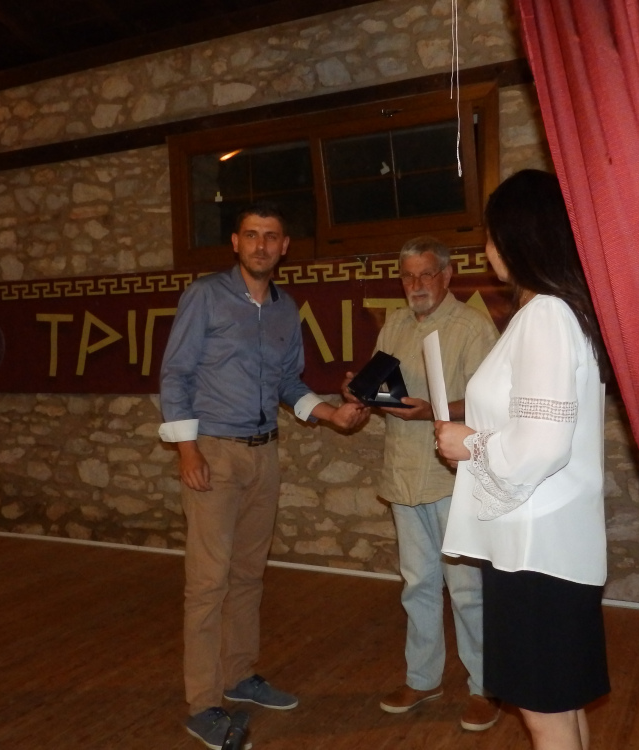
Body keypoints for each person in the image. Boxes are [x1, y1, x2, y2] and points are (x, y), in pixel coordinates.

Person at [159, 202, 369, 750]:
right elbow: (176, 374)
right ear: (235, 242)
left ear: (284, 246)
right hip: (213, 452)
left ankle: (239, 674)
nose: (260, 245)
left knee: (249, 574)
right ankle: (203, 704)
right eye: (251, 235)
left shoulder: (284, 309)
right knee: (208, 583)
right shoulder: (206, 296)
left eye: (271, 236)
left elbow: (288, 383)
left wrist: (331, 415)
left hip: (264, 455)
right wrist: (187, 451)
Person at [435, 169, 612, 750]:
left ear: (521, 236)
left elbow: (541, 443)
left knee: (544, 715)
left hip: (537, 549)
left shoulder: (546, 316)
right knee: (561, 706)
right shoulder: (562, 312)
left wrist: (469, 444)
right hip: (550, 542)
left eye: (491, 235)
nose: (487, 249)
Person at [343, 236, 501, 730]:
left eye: (426, 274)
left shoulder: (473, 327)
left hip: (453, 477)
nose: (416, 284)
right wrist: (359, 391)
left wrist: (435, 411)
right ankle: (423, 677)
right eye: (408, 275)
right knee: (418, 585)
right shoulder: (394, 323)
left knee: (467, 589)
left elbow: (491, 404)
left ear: (447, 275)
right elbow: (384, 387)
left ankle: (485, 687)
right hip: (403, 474)